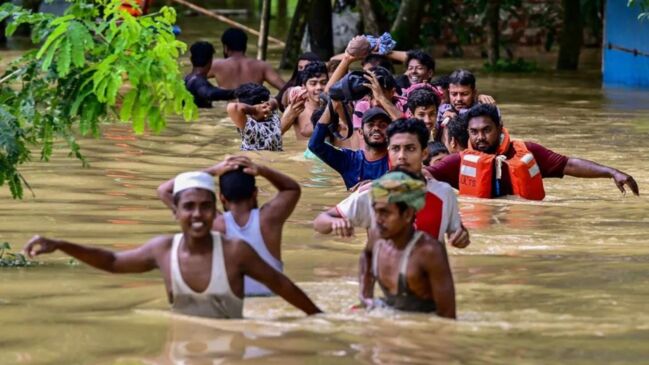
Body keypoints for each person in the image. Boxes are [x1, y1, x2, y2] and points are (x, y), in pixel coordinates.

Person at [23, 171, 321, 319]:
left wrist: (321, 321)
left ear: (215, 208)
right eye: (189, 207)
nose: (197, 215)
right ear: (175, 211)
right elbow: (113, 262)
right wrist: (61, 244)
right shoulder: (162, 250)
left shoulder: (234, 251)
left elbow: (284, 287)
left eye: (205, 207)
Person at [313, 118, 470, 248]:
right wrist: (336, 223)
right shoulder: (372, 192)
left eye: (410, 149)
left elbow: (457, 233)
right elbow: (320, 222)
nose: (401, 156)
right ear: (389, 151)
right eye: (395, 148)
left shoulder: (444, 192)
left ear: (424, 153)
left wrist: (462, 237)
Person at [427, 104, 640, 200]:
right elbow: (425, 175)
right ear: (467, 133)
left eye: (486, 130)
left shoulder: (528, 151)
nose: (480, 137)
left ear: (500, 128)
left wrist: (612, 172)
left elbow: (569, 164)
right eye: (474, 132)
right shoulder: (459, 162)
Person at [157, 156, 300, 297]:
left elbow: (163, 190)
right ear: (255, 194)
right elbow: (291, 189)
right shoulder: (269, 219)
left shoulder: (213, 223)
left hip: (231, 304)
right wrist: (262, 170)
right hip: (271, 301)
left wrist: (212, 170)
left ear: (221, 198)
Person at [358, 171, 455, 318]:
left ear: (408, 214)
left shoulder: (429, 252)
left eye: (385, 213)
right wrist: (366, 298)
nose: (377, 220)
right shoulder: (376, 237)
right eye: (376, 212)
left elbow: (447, 316)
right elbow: (366, 256)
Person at [308, 106, 391, 190]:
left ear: (390, 133)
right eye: (371, 125)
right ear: (360, 132)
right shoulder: (349, 160)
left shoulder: (397, 159)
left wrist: (375, 185)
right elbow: (315, 145)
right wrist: (332, 104)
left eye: (382, 125)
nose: (376, 128)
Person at [208, 28, 285, 90]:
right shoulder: (261, 66)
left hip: (230, 108)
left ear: (226, 47)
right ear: (245, 46)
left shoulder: (216, 65)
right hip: (256, 108)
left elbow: (196, 79)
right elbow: (285, 88)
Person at [227, 83, 283, 151]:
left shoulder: (250, 128)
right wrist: (265, 105)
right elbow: (274, 100)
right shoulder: (274, 116)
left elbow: (233, 107)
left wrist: (254, 110)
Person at [280, 61, 328, 140]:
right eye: (313, 83)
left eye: (324, 83)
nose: (319, 87)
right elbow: (276, 134)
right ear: (304, 87)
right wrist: (290, 115)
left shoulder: (334, 106)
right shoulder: (297, 106)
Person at [184, 41, 235, 108]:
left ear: (191, 59)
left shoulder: (188, 79)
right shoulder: (198, 82)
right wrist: (236, 92)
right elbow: (209, 93)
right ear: (210, 61)